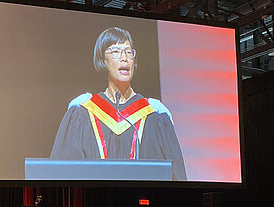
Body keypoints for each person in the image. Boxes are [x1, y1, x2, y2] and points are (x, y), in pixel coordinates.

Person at [50, 27, 187, 181]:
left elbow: (176, 177)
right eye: (116, 51)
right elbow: (62, 174)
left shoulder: (155, 116)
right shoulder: (82, 113)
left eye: (129, 52)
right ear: (103, 60)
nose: (124, 58)